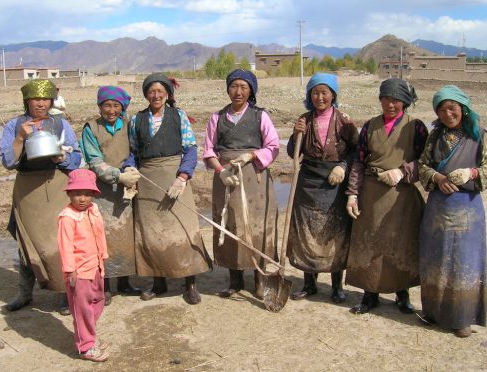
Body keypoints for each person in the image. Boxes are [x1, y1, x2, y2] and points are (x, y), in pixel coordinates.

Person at [122, 73, 211, 305]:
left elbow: (191, 147)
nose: (156, 95)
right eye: (151, 91)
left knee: (183, 229)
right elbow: (132, 152)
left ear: (167, 94)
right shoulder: (136, 120)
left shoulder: (178, 116)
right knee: (152, 233)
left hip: (175, 179)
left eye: (160, 91)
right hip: (148, 180)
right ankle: (158, 283)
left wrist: (183, 176)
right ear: (145, 94)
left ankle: (190, 284)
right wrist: (130, 169)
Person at [418, 85, 487, 338]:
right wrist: (438, 177)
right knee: (436, 260)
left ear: (463, 108)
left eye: (452, 108)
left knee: (465, 262)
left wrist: (471, 173)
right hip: (438, 209)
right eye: (441, 110)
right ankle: (432, 311)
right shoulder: (435, 136)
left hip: (468, 209)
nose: (447, 114)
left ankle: (462, 318)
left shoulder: (480, 136)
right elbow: (422, 165)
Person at [345, 78, 428, 314]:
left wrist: (403, 171)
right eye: (386, 98)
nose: (391, 104)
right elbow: (359, 163)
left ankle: (402, 294)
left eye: (396, 99)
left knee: (400, 242)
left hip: (401, 196)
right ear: (380, 99)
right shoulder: (370, 126)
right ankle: (370, 294)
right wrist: (352, 194)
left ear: (404, 102)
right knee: (370, 241)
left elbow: (427, 162)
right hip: (371, 194)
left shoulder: (417, 126)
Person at [0, 79, 82, 313]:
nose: (41, 104)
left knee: (61, 240)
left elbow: (76, 158)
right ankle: (25, 293)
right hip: (27, 189)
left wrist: (61, 158)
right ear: (27, 101)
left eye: (46, 99)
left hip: (56, 185)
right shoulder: (14, 125)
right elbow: (7, 162)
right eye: (36, 99)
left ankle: (65, 293)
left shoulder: (60, 123)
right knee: (27, 241)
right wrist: (19, 139)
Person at [203, 69, 279, 300]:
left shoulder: (260, 116)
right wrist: (221, 171)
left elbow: (273, 146)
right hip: (227, 178)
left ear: (251, 91)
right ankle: (234, 280)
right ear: (228, 89)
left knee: (256, 226)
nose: (238, 92)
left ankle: (259, 278)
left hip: (254, 177)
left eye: (243, 87)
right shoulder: (217, 118)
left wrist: (253, 156)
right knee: (231, 225)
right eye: (234, 86)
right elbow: (208, 150)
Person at [286, 73, 358, 303]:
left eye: (324, 92)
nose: (319, 97)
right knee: (307, 234)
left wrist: (343, 167)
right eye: (315, 93)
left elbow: (357, 151)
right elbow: (293, 153)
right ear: (309, 96)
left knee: (335, 234)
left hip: (335, 184)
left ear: (333, 95)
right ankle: (309, 284)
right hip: (308, 184)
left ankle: (337, 286)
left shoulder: (345, 121)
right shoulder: (304, 120)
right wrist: (296, 134)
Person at [80, 86, 143, 304]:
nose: (111, 110)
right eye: (107, 105)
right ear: (99, 106)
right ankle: (105, 286)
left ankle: (124, 282)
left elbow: (135, 150)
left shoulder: (129, 125)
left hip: (127, 187)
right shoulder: (91, 128)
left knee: (125, 234)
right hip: (102, 189)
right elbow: (94, 160)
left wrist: (130, 169)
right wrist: (117, 175)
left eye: (116, 106)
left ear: (122, 107)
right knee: (102, 237)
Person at [58, 169, 110, 362]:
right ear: (69, 194)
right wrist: (70, 270)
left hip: (95, 266)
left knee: (98, 300)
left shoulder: (93, 210)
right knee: (81, 309)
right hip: (79, 272)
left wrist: (103, 257)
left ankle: (89, 334)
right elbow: (65, 247)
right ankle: (85, 346)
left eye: (87, 194)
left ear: (93, 195)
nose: (82, 198)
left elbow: (100, 234)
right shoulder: (67, 217)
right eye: (77, 194)